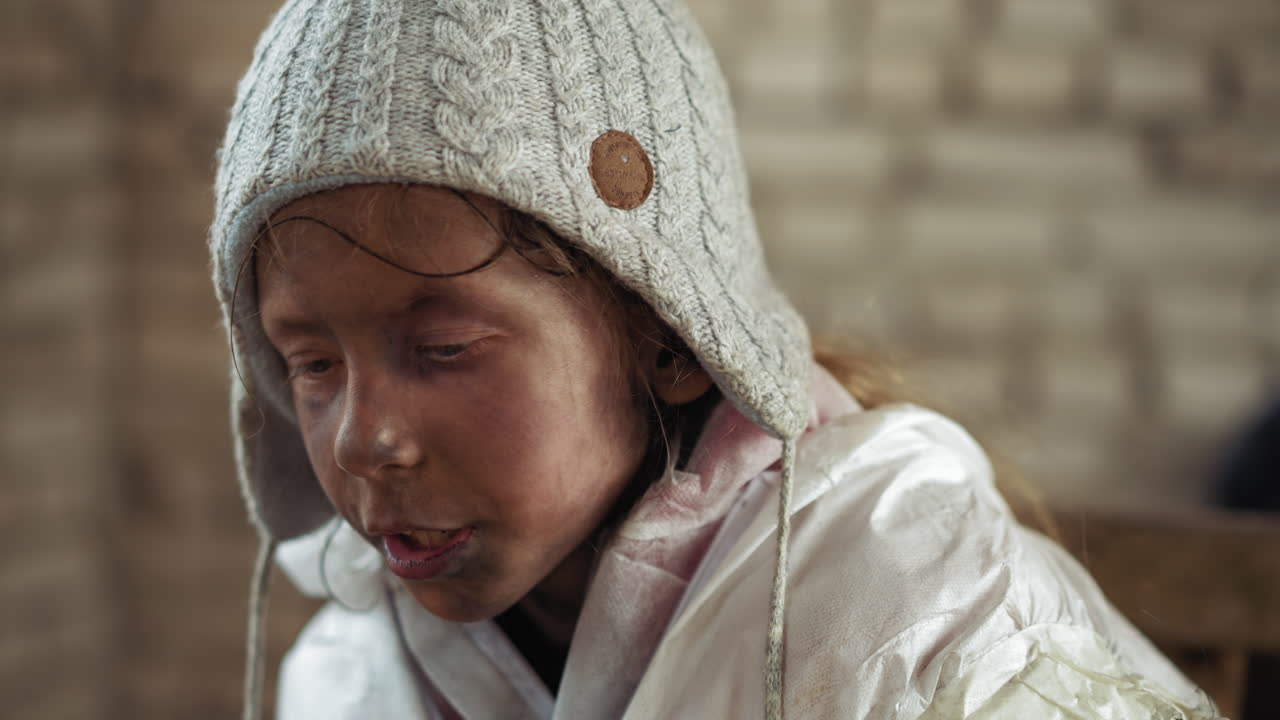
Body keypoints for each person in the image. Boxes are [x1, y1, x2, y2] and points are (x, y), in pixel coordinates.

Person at [208, 1, 1222, 718]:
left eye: (441, 348)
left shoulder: (924, 640)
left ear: (667, 341)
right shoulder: (351, 674)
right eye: (310, 364)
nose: (364, 438)